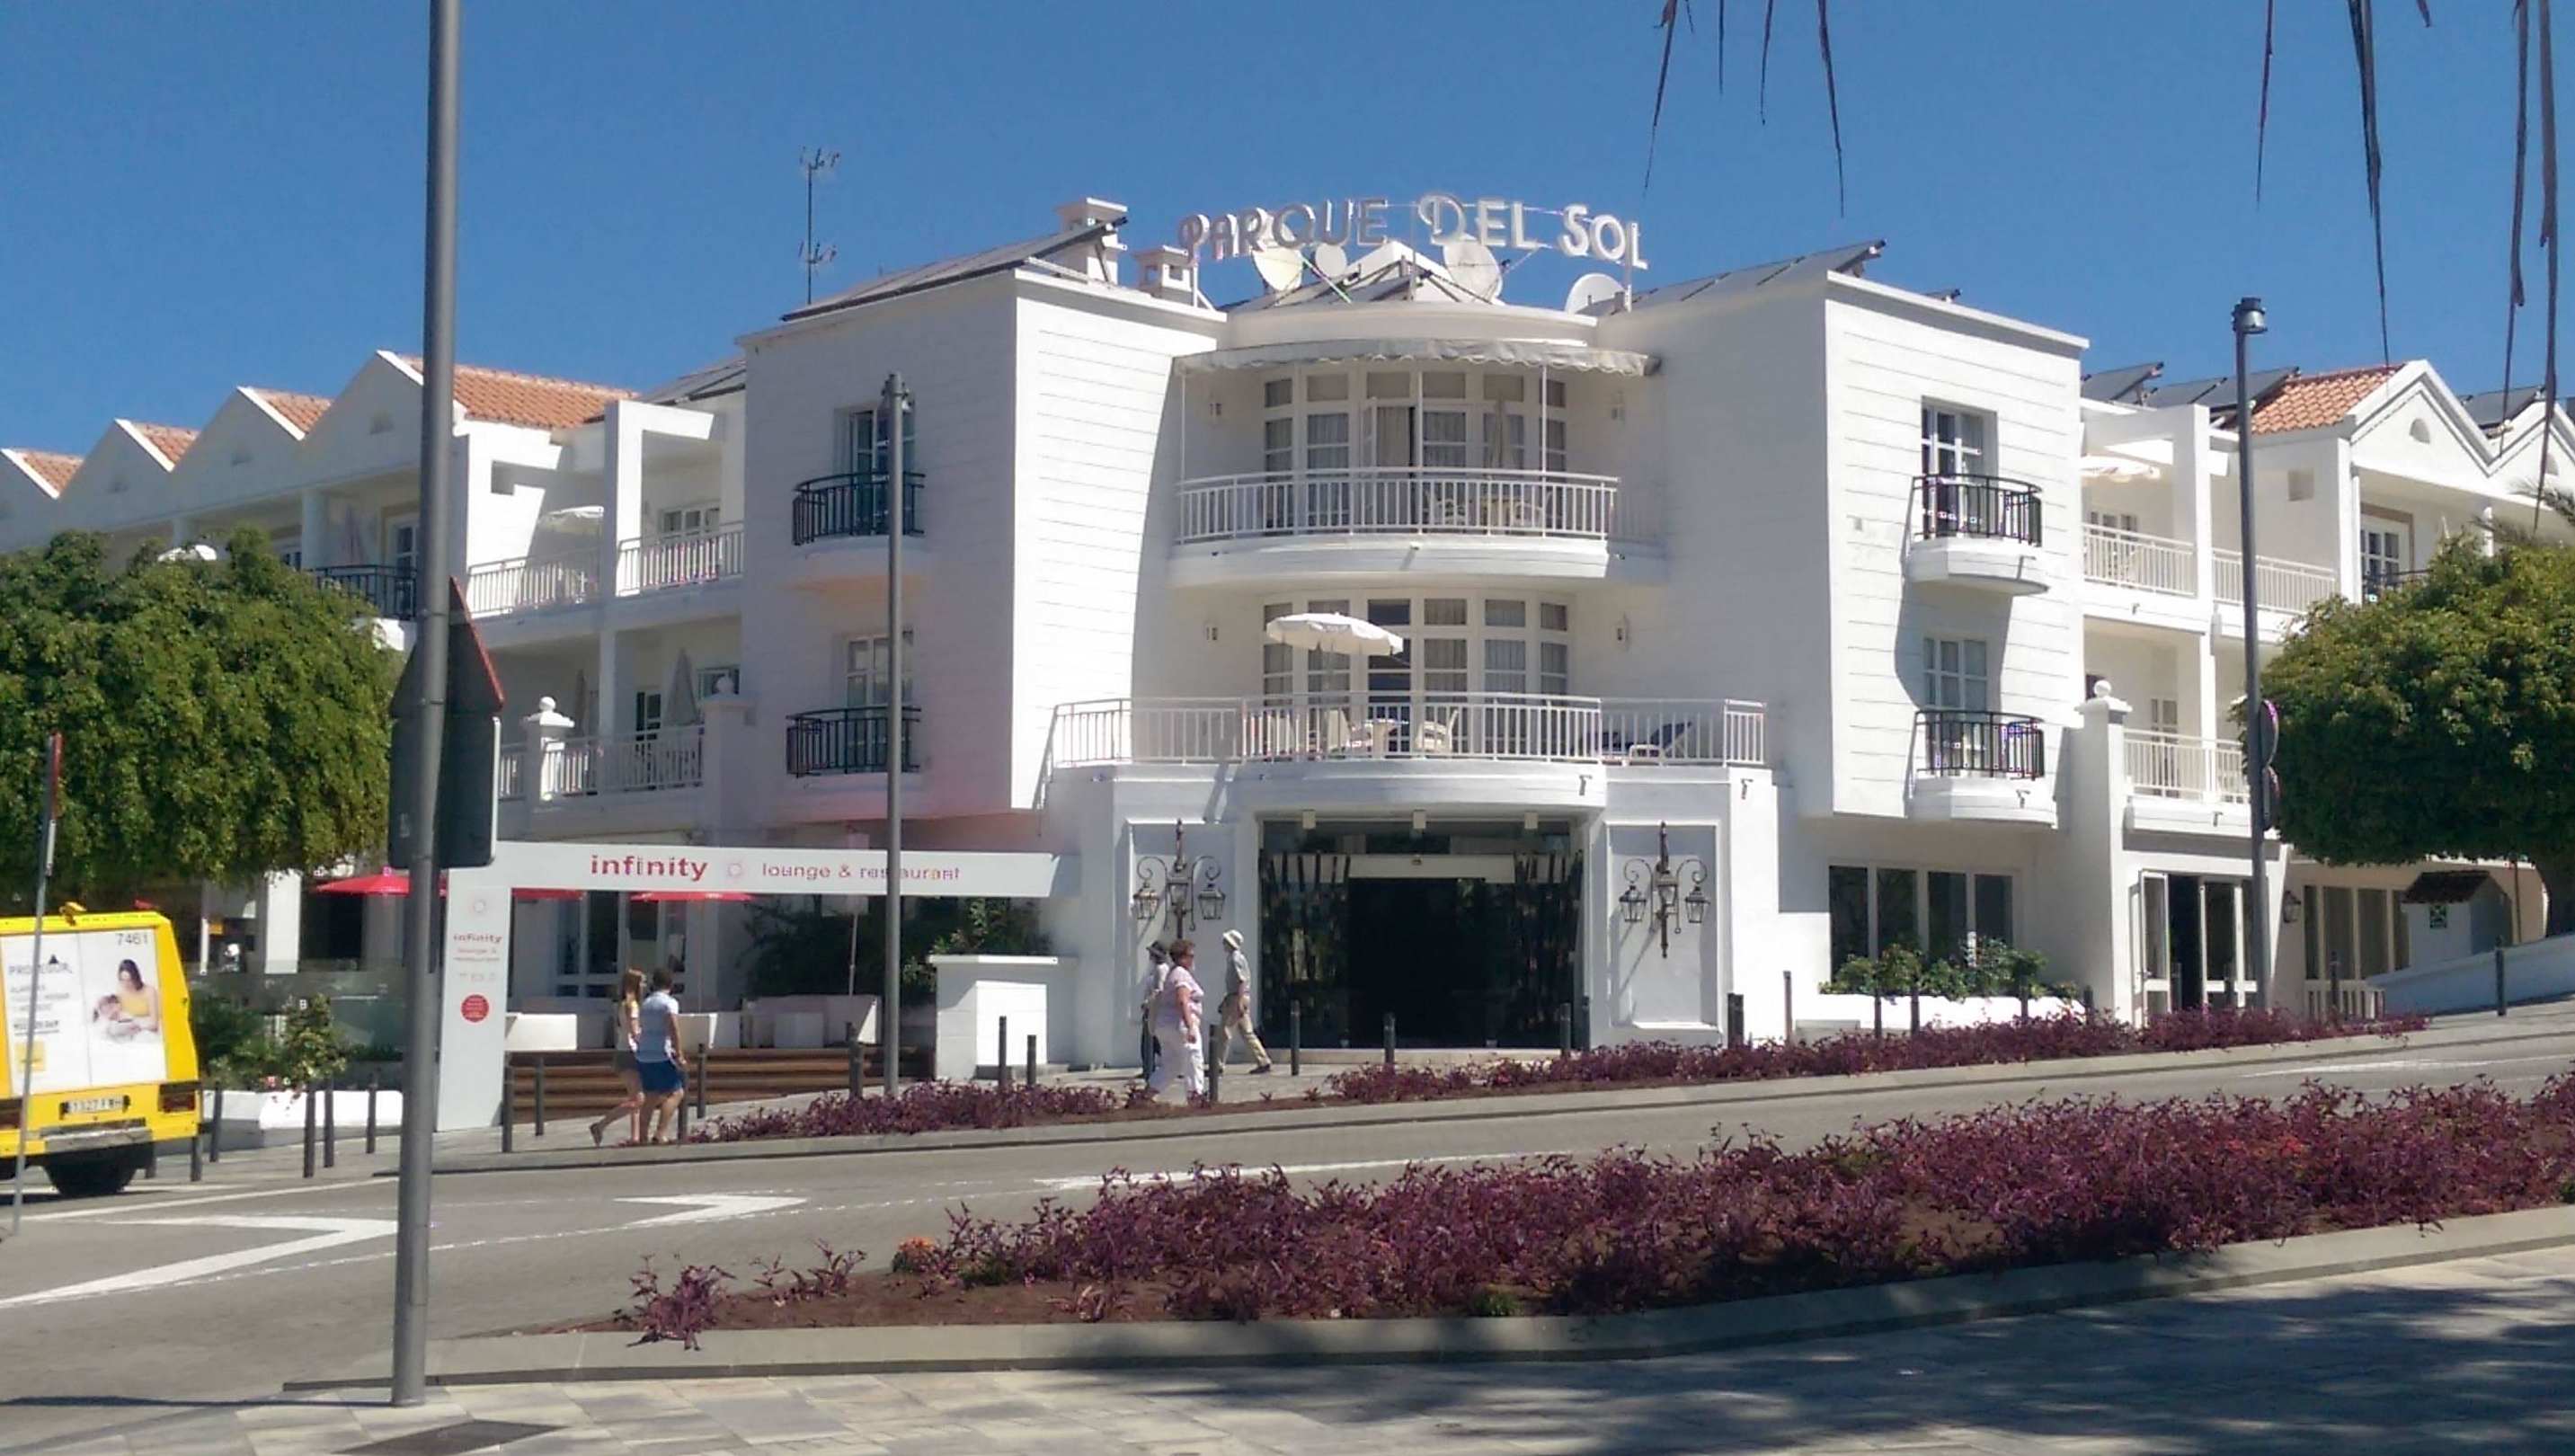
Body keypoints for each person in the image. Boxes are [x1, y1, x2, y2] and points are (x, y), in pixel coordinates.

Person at [590, 969, 647, 1147]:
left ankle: (635, 1136)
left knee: (635, 1097)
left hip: (622, 1052)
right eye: (642, 982)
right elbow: (635, 1032)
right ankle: (601, 1125)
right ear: (635, 985)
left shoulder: (622, 1005)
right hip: (630, 1053)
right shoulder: (633, 1006)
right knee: (638, 1100)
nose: (645, 986)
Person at [633, 967, 690, 1144]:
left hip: (644, 1053)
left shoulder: (646, 1003)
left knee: (650, 1095)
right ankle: (660, 1132)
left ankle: (642, 1136)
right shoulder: (669, 1003)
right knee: (676, 1093)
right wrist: (679, 1054)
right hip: (661, 1053)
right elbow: (673, 1028)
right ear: (670, 984)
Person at [1146, 939, 1206, 1099]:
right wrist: (1190, 1026)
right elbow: (1182, 1000)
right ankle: (1195, 1097)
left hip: (1165, 1025)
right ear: (1182, 957)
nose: (1193, 960)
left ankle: (1146, 1095)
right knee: (1193, 1059)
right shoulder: (1182, 974)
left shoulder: (1172, 973)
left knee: (1171, 1065)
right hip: (1180, 1026)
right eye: (1191, 956)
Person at [1213, 928, 1273, 1074]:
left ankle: (1218, 1064)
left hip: (1236, 998)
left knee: (1225, 1032)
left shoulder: (1235, 959)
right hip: (1236, 997)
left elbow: (1241, 981)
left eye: (1225, 942)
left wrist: (1238, 1001)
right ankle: (1263, 1060)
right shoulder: (1236, 958)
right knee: (1247, 1032)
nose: (1223, 944)